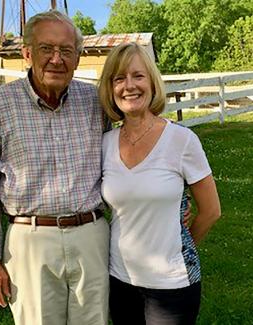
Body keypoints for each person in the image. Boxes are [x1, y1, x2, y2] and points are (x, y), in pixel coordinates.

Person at [0, 10, 110, 325]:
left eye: (66, 51)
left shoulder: (96, 102)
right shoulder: (0, 105)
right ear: (27, 53)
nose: (56, 59)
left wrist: (171, 202)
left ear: (77, 58)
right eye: (47, 49)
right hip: (29, 240)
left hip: (91, 235)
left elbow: (126, 154)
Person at [98, 42, 221, 325]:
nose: (129, 86)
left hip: (172, 285)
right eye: (119, 78)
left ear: (153, 83)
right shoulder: (104, 144)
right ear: (111, 88)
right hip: (118, 278)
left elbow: (212, 210)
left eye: (138, 76)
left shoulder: (182, 140)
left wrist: (181, 245)